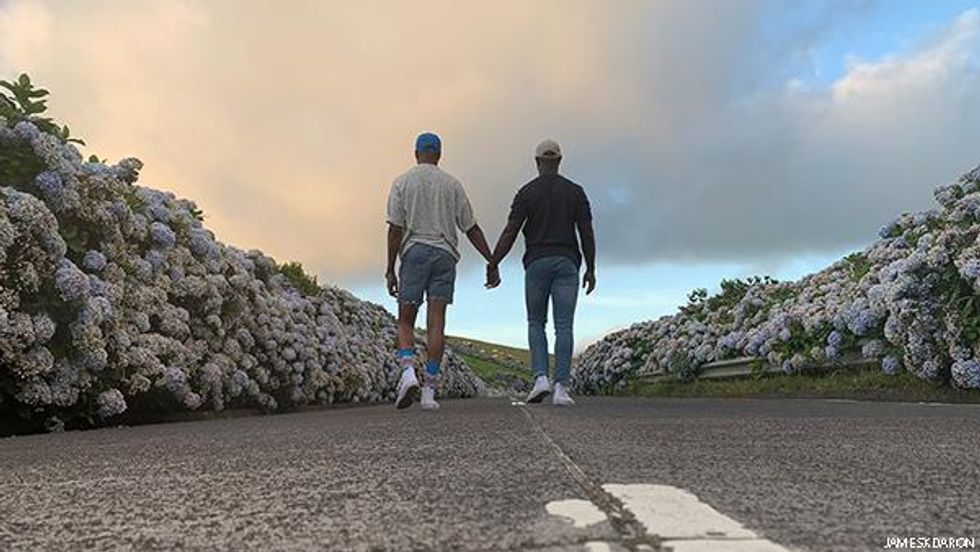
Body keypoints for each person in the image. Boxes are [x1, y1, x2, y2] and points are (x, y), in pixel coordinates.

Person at [385, 132, 495, 410]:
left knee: (406, 320)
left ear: (416, 153)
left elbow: (395, 229)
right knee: (437, 323)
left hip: (415, 254)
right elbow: (471, 228)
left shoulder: (402, 182)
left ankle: (408, 372)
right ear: (439, 155)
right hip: (445, 256)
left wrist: (390, 269)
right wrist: (491, 260)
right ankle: (429, 392)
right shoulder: (452, 185)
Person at [486, 139, 596, 406]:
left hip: (536, 263)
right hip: (567, 263)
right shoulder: (575, 192)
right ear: (559, 161)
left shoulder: (526, 193)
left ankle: (540, 379)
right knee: (564, 326)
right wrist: (591, 268)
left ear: (537, 162)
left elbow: (511, 230)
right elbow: (586, 233)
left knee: (536, 322)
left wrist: (493, 262)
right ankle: (561, 388)